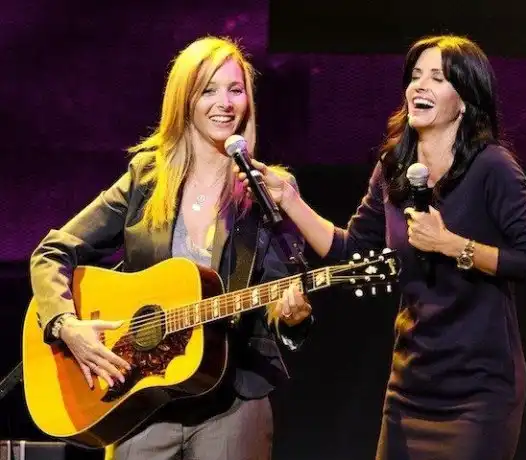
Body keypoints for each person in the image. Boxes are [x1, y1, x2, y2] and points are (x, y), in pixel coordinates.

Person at [240, 35, 526, 459]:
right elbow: (352, 251)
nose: (420, 85)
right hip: (411, 385)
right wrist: (291, 202)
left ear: (464, 100)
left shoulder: (492, 167)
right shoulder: (393, 168)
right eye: (415, 76)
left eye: (437, 78)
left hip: (479, 391)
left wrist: (453, 245)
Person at [29, 36, 313, 460]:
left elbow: (281, 294)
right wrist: (66, 324)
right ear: (185, 100)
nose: (225, 103)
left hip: (232, 400)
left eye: (236, 90)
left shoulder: (268, 188)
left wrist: (291, 317)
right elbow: (52, 252)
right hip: (141, 401)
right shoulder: (146, 178)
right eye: (208, 90)